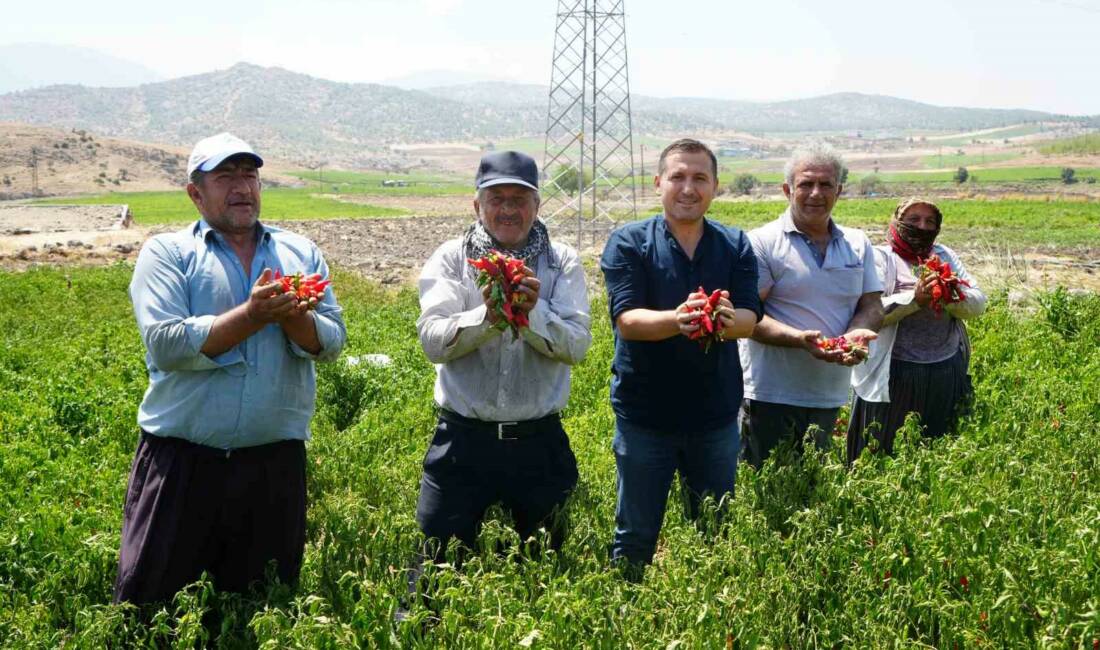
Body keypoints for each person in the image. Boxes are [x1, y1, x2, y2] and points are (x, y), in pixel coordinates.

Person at [115, 132, 347, 604]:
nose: (242, 186)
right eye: (225, 176)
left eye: (250, 174)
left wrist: (293, 316)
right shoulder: (168, 254)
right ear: (195, 193)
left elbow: (332, 340)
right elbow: (166, 344)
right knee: (153, 606)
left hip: (272, 466)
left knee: (260, 607)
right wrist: (253, 315)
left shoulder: (300, 254)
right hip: (182, 462)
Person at [413, 150, 591, 560]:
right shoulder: (454, 259)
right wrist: (489, 316)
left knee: (547, 565)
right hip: (462, 441)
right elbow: (432, 340)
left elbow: (578, 345)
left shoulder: (560, 262)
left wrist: (532, 313)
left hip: (538, 442)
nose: (508, 209)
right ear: (478, 206)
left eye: (519, 199)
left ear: (537, 206)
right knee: (435, 566)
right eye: (497, 199)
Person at [600, 138, 761, 571]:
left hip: (715, 416)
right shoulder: (629, 242)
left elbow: (750, 316)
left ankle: (710, 615)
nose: (688, 188)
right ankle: (628, 613)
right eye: (678, 177)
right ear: (658, 183)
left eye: (699, 178)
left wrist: (723, 318)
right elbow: (627, 321)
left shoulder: (734, 244)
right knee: (635, 533)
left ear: (715, 187)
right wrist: (680, 318)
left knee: (714, 527)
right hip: (645, 417)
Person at [739, 142, 883, 468]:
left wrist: (855, 335)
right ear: (787, 189)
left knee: (812, 495)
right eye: (806, 184)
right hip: (769, 395)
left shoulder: (857, 243)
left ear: (840, 190)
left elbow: (872, 305)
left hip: (828, 394)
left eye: (826, 184)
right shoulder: (761, 242)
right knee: (766, 489)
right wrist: (800, 340)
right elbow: (748, 316)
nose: (816, 193)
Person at [847, 198, 986, 462]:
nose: (922, 226)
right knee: (880, 448)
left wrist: (948, 294)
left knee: (934, 446)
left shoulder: (943, 255)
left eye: (929, 221)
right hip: (895, 369)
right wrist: (915, 299)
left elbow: (978, 303)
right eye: (913, 220)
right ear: (897, 223)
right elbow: (868, 312)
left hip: (944, 366)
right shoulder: (880, 257)